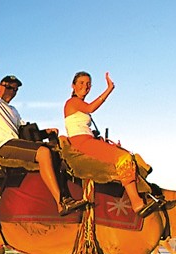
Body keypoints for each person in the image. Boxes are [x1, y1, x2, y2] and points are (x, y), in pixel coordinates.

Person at [0, 66, 85, 216]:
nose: (11, 91)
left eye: (14, 89)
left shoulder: (13, 110)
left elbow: (26, 133)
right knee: (43, 153)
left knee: (55, 150)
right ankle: (61, 202)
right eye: (8, 86)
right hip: (2, 145)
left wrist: (46, 132)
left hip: (15, 142)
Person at [63, 71, 167, 217]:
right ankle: (137, 202)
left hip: (88, 139)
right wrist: (109, 89)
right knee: (123, 158)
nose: (85, 86)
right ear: (73, 85)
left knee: (130, 155)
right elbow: (91, 108)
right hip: (82, 142)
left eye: (88, 84)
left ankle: (148, 193)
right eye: (81, 83)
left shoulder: (80, 105)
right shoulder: (72, 102)